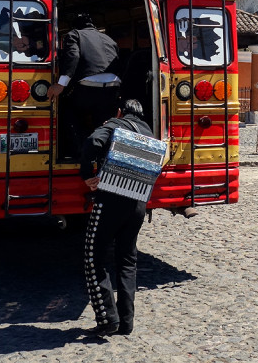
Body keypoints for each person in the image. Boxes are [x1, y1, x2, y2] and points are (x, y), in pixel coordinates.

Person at [80, 99, 154, 337]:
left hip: (110, 201)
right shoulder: (147, 131)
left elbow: (93, 141)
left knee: (94, 258)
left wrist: (87, 174)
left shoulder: (115, 124)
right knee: (127, 261)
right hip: (137, 204)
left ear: (121, 112)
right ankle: (126, 322)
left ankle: (107, 319)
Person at [51, 13, 121, 156]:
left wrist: (61, 84)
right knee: (103, 121)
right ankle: (102, 154)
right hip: (113, 85)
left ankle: (79, 151)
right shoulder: (109, 38)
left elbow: (73, 56)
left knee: (67, 110)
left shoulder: (74, 34)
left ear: (74, 26)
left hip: (89, 84)